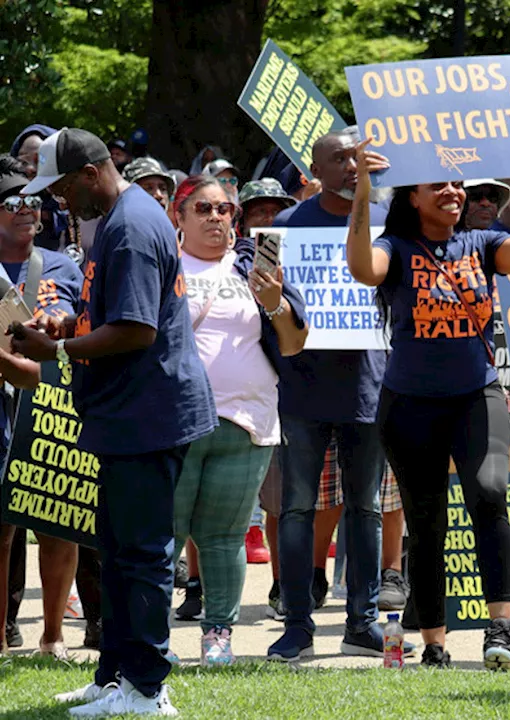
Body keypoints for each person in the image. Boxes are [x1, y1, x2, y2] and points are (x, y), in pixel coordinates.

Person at [15, 127, 217, 715]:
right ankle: (114, 677)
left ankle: (147, 690)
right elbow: (111, 311)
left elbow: (136, 330)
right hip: (133, 411)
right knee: (117, 548)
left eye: (57, 188)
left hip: (147, 413)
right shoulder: (123, 216)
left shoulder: (128, 227)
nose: (55, 201)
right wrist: (68, 323)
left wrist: (56, 351)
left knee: (143, 554)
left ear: (87, 174)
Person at [346, 124, 510, 670]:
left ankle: (500, 630)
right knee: (426, 520)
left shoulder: (483, 244)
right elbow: (361, 268)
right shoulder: (394, 246)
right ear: (412, 197)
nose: (454, 192)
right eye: (438, 184)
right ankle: (435, 643)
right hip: (409, 403)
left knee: (489, 494)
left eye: (458, 184)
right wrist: (364, 194)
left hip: (476, 395)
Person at [265, 128, 393, 663]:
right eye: (339, 158)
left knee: (366, 510)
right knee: (296, 509)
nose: (351, 165)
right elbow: (265, 310)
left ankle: (361, 623)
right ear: (315, 172)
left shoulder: (388, 224)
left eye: (356, 156)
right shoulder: (284, 227)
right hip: (303, 390)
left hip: (370, 386)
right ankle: (296, 623)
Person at [169, 175, 308, 665]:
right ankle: (150, 637)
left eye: (225, 210)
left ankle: (218, 636)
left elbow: (291, 346)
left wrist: (274, 304)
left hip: (246, 423)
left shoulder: (256, 268)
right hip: (175, 423)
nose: (215, 218)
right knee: (166, 532)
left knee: (224, 536)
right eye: (203, 209)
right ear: (178, 217)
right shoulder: (163, 268)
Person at [0, 158, 86, 659]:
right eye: (13, 203)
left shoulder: (63, 266)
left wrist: (63, 320)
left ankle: (53, 638)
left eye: (33, 201)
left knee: (55, 520)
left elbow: (85, 321)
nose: (27, 211)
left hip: (49, 402)